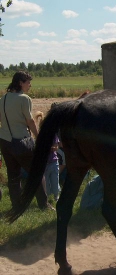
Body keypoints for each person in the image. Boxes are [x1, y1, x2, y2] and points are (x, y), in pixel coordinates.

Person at [0, 71, 54, 211]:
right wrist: (39, 137)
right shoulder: (24, 99)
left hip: (5, 143)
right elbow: (30, 121)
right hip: (22, 142)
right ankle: (44, 205)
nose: (29, 85)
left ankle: (17, 206)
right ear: (20, 83)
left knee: (13, 175)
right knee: (36, 172)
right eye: (28, 82)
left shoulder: (3, 99)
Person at [44, 135, 60, 201]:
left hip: (54, 162)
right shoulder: (41, 136)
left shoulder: (54, 136)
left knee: (55, 180)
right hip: (45, 164)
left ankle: (56, 196)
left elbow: (56, 147)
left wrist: (52, 147)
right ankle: (46, 197)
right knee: (46, 182)